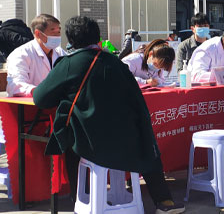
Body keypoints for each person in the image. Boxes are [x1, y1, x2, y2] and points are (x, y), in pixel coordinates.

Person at [32, 16, 185, 214]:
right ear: (98, 37)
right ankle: (164, 202)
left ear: (70, 39)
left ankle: (80, 199)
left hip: (90, 142)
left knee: (71, 144)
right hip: (128, 139)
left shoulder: (69, 64)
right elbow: (138, 103)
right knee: (148, 147)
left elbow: (41, 99)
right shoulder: (116, 63)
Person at [6, 14, 66, 97]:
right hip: (29, 105)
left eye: (59, 32)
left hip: (55, 104)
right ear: (38, 34)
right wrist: (41, 92)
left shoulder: (60, 52)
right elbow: (16, 86)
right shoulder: (21, 54)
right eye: (53, 32)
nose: (57, 36)